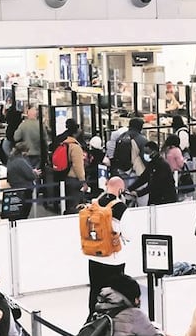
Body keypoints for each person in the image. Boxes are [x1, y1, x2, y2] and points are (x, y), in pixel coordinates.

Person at [87, 176, 130, 313]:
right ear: (120, 190)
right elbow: (128, 236)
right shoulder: (121, 208)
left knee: (95, 291)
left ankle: (92, 319)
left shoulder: (94, 204)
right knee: (113, 294)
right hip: (113, 259)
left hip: (94, 256)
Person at [130, 141, 176, 206]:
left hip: (166, 199)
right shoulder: (151, 164)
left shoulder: (163, 165)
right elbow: (143, 178)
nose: (145, 154)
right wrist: (129, 189)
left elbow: (156, 184)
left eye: (147, 152)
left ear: (154, 152)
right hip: (155, 197)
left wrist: (138, 193)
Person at [57, 121, 88, 214]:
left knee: (69, 203)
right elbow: (78, 166)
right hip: (74, 179)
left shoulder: (65, 143)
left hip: (66, 176)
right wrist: (83, 182)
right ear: (76, 132)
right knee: (75, 206)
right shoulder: (75, 147)